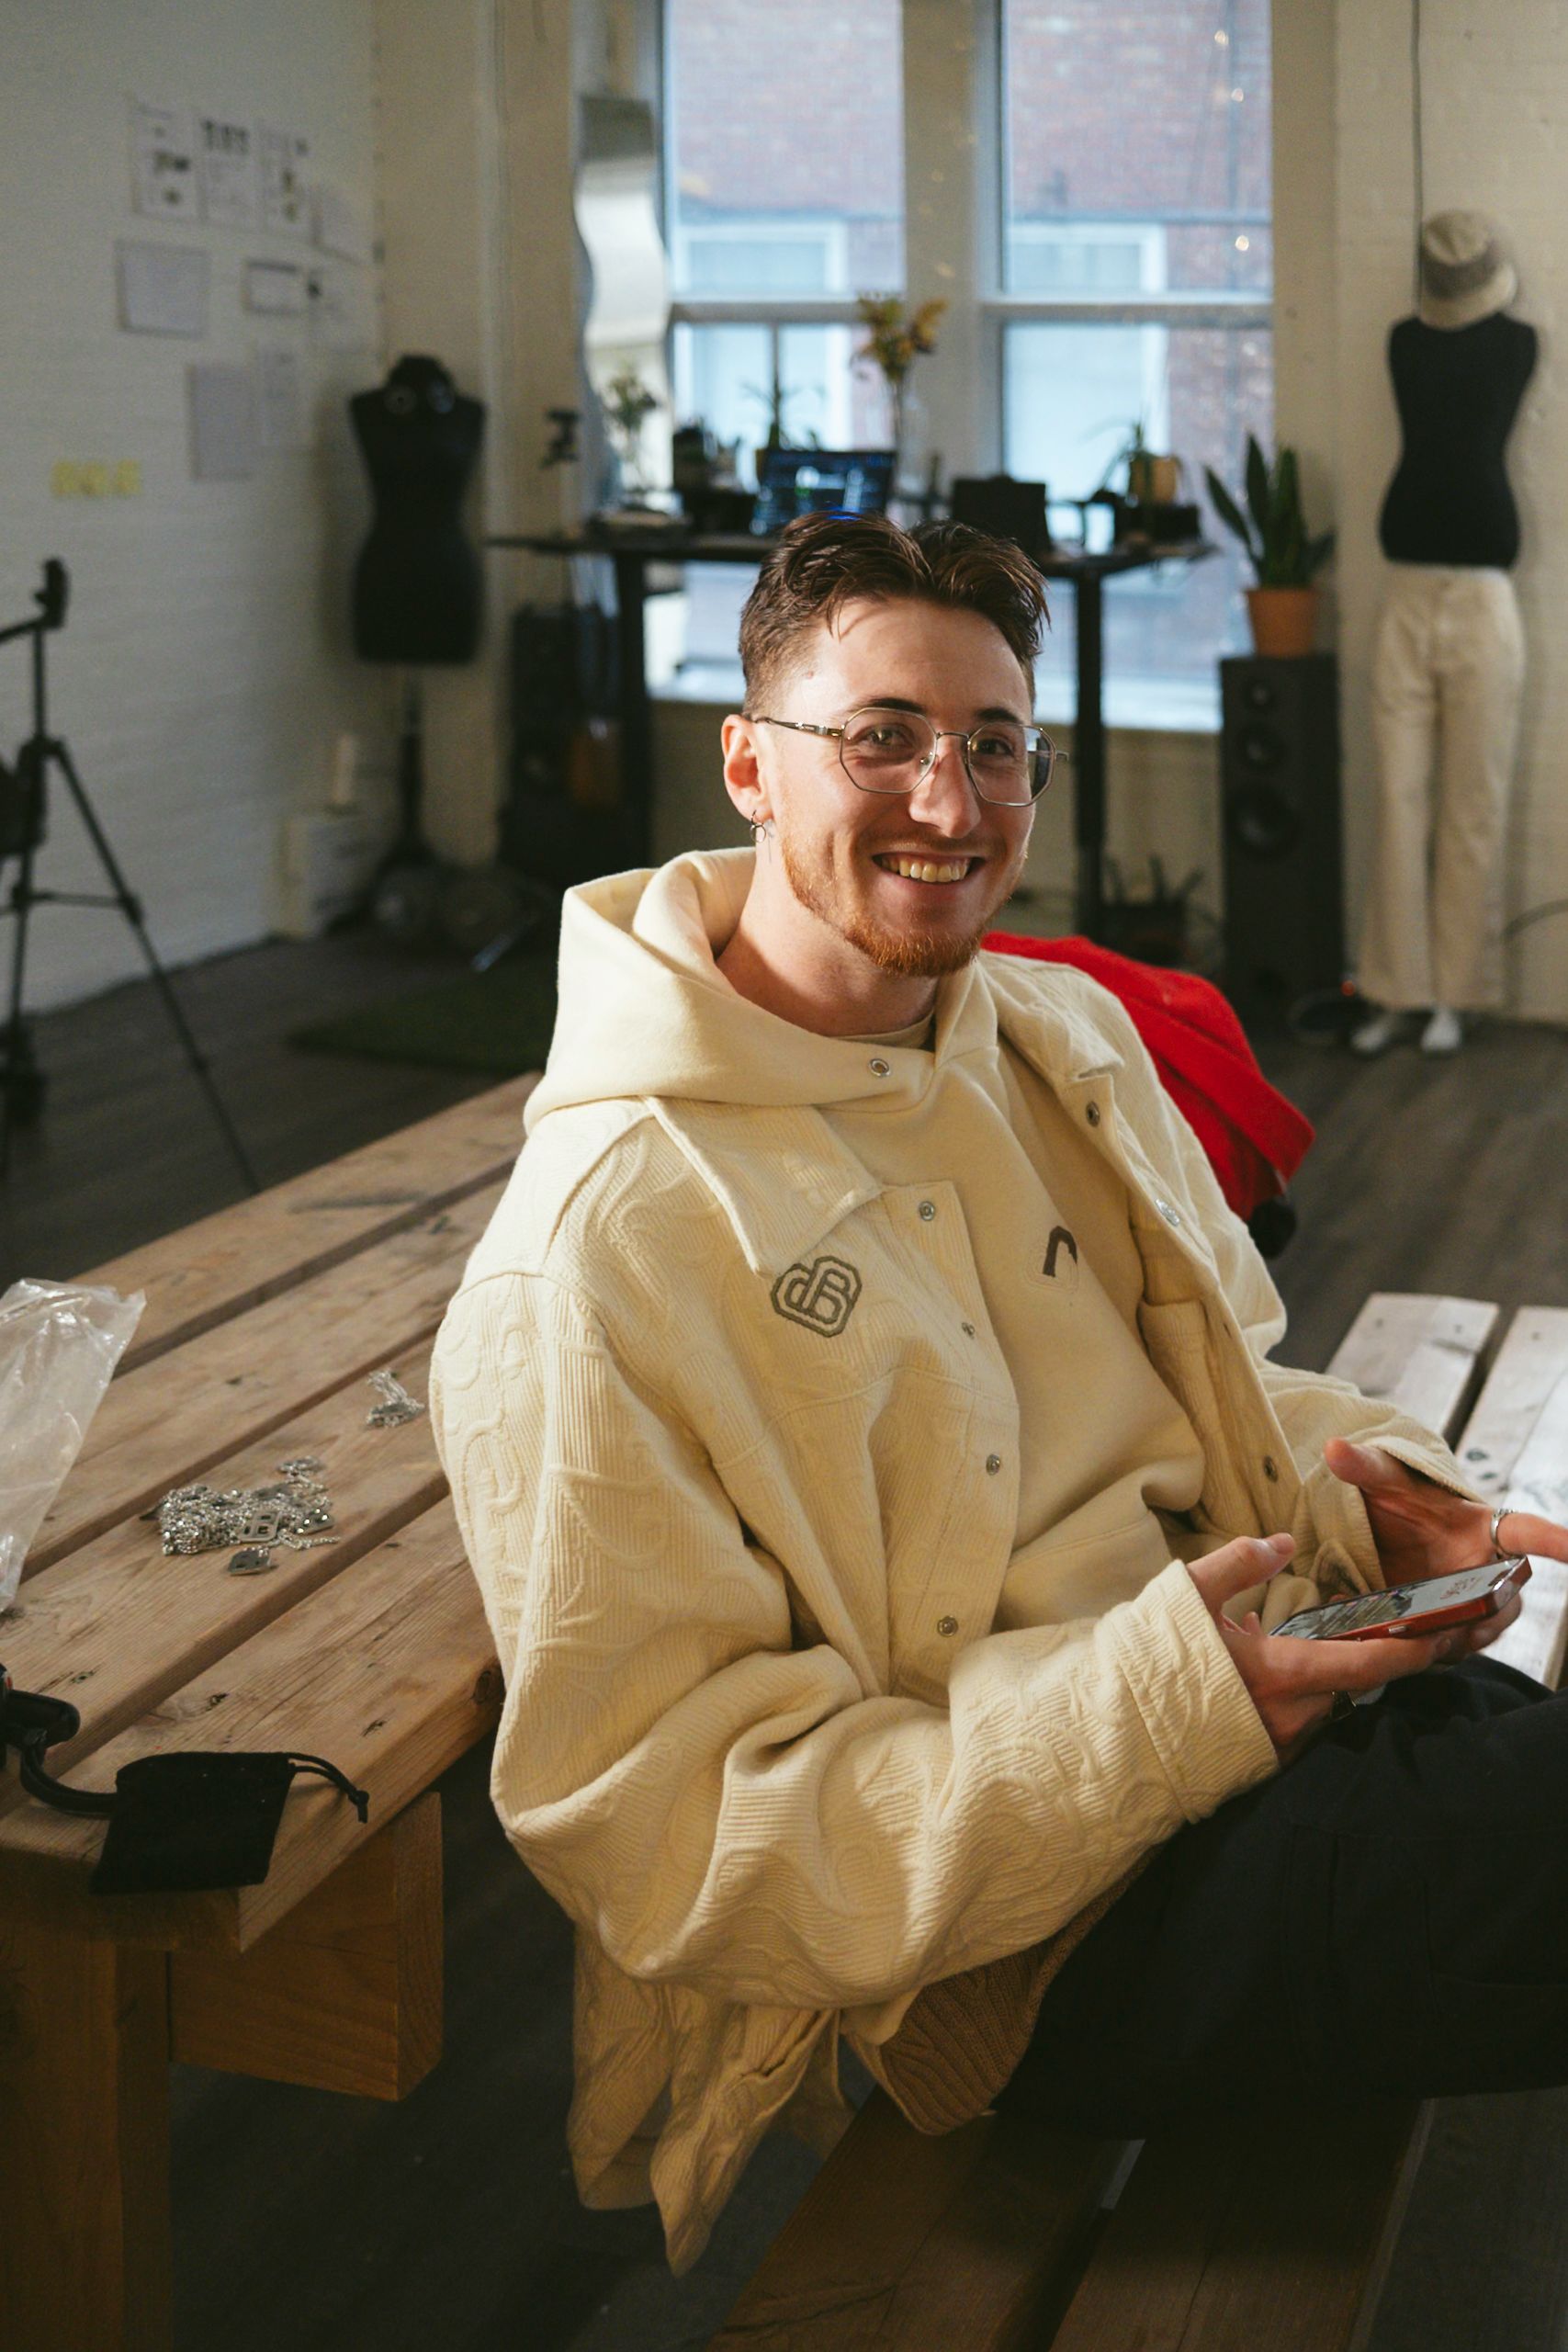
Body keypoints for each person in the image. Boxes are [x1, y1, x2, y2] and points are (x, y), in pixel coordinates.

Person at [430, 514, 1568, 2275]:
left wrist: (1379, 1504)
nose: (948, 804)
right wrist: (1169, 1706)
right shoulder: (596, 1251)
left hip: (1278, 1717)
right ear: (746, 764)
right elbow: (679, 1844)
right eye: (880, 737)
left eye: (993, 746)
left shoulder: (1052, 1034)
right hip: (1040, 1942)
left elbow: (1231, 1387)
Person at [1352, 211, 1537, 1057]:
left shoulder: (1517, 343)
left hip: (1484, 598)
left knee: (1471, 802)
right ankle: (1395, 988)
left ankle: (1458, 993)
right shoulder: (1403, 340)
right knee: (1396, 797)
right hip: (1406, 589)